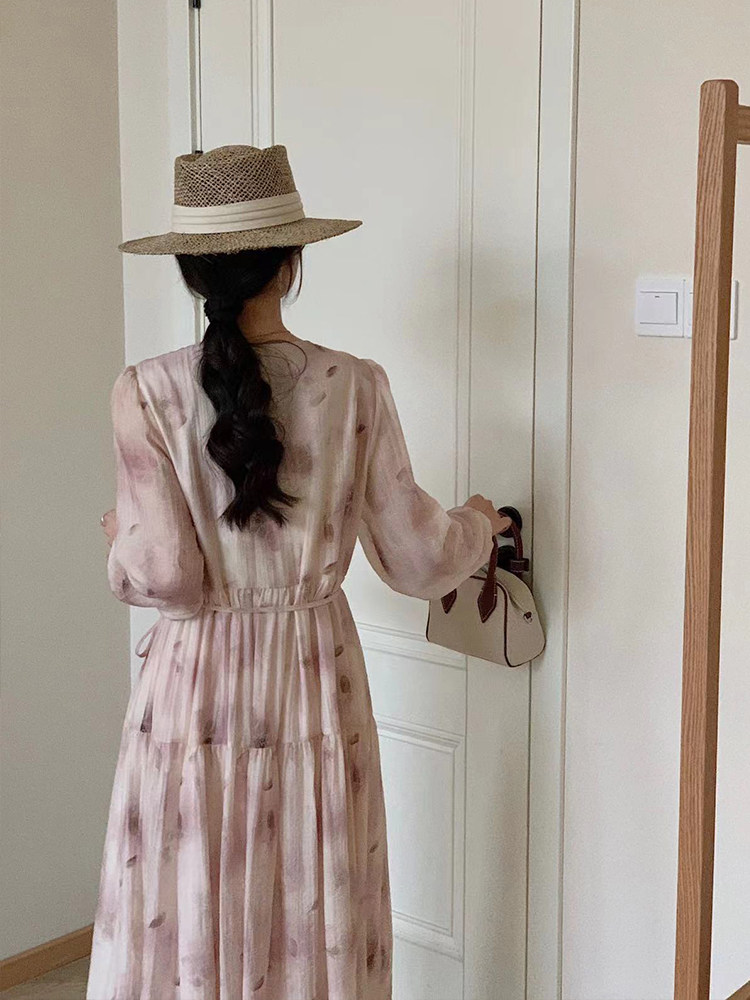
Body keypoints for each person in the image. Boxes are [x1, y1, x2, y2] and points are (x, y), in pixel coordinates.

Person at [86, 144, 506, 1000]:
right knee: (313, 877)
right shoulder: (355, 385)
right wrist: (479, 525)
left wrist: (116, 542)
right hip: (313, 671)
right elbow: (420, 559)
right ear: (290, 264)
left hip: (194, 682)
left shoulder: (144, 391)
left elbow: (164, 574)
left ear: (192, 273)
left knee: (188, 877)